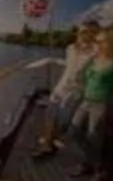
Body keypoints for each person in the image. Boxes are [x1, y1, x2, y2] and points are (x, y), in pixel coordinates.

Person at [73, 27, 113, 181]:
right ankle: (90, 161)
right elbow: (80, 76)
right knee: (74, 131)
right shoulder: (94, 60)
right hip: (86, 101)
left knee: (94, 137)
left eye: (99, 41)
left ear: (108, 43)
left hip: (102, 103)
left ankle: (98, 170)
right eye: (95, 41)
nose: (95, 43)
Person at [33, 21, 102, 160]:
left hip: (76, 89)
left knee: (62, 119)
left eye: (89, 32)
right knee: (50, 114)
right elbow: (69, 65)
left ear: (94, 33)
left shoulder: (96, 51)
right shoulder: (70, 48)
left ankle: (52, 143)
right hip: (61, 86)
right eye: (82, 31)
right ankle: (46, 144)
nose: (84, 34)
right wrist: (54, 60)